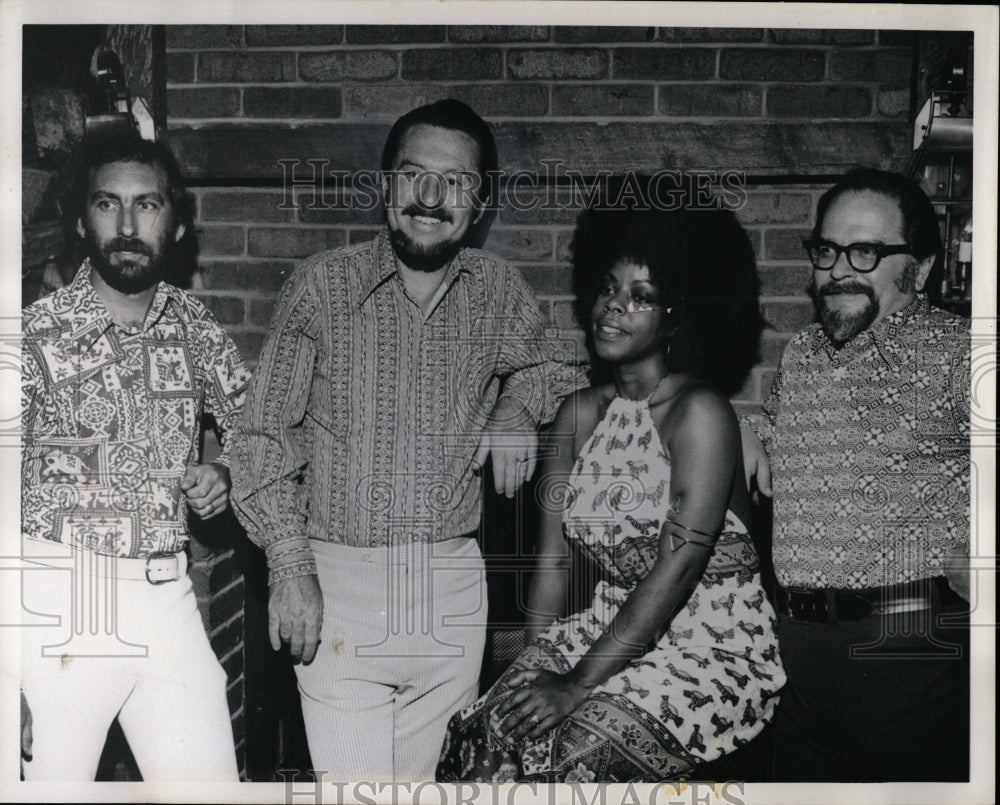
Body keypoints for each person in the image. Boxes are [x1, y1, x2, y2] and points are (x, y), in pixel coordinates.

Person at [230, 99, 584, 781]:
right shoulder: (322, 285)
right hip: (337, 589)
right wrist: (289, 564)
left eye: (455, 182)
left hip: (451, 589)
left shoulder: (497, 288)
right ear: (385, 186)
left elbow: (555, 369)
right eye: (413, 175)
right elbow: (262, 435)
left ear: (480, 203)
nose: (430, 197)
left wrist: (516, 404)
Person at [437, 198, 786, 783]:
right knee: (480, 742)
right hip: (610, 625)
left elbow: (676, 570)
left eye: (641, 296)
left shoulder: (700, 413)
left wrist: (573, 685)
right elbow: (550, 561)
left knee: (559, 762)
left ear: (676, 315)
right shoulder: (576, 415)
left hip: (711, 648)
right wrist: (532, 665)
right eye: (606, 289)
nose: (613, 308)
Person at [19, 135, 249, 781]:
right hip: (56, 605)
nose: (126, 226)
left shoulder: (198, 329)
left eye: (146, 204)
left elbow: (259, 434)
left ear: (174, 222)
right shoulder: (31, 337)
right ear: (78, 219)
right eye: (106, 203)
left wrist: (227, 472)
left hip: (165, 597)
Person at [740, 168, 971, 782]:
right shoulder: (805, 351)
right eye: (827, 250)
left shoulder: (959, 352)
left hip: (907, 650)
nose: (839, 268)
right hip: (795, 654)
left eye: (865, 251)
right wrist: (747, 431)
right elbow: (779, 432)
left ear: (918, 269)